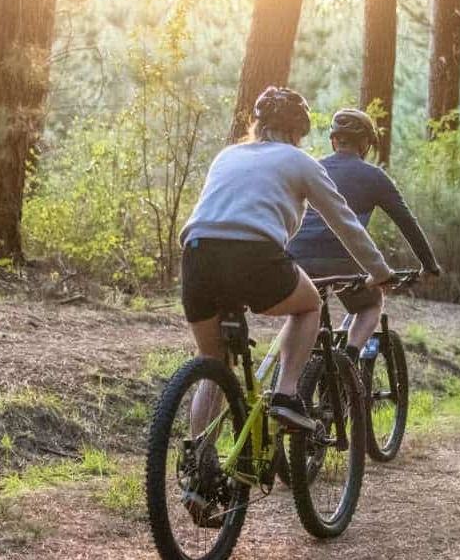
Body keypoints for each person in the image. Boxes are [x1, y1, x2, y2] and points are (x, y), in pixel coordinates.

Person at [180, 87, 394, 435]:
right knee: (309, 306)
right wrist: (379, 272)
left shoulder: (227, 156)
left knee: (212, 361)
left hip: (196, 253)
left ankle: (197, 463)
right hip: (254, 254)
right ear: (297, 132)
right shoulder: (300, 162)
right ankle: (285, 395)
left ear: (257, 124)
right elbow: (345, 223)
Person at [287, 108, 440, 364]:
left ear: (334, 140)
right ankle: (348, 361)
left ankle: (295, 382)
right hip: (343, 256)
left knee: (304, 312)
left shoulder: (313, 168)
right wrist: (429, 266)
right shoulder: (374, 177)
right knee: (370, 304)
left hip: (296, 256)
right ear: (366, 143)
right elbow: (407, 222)